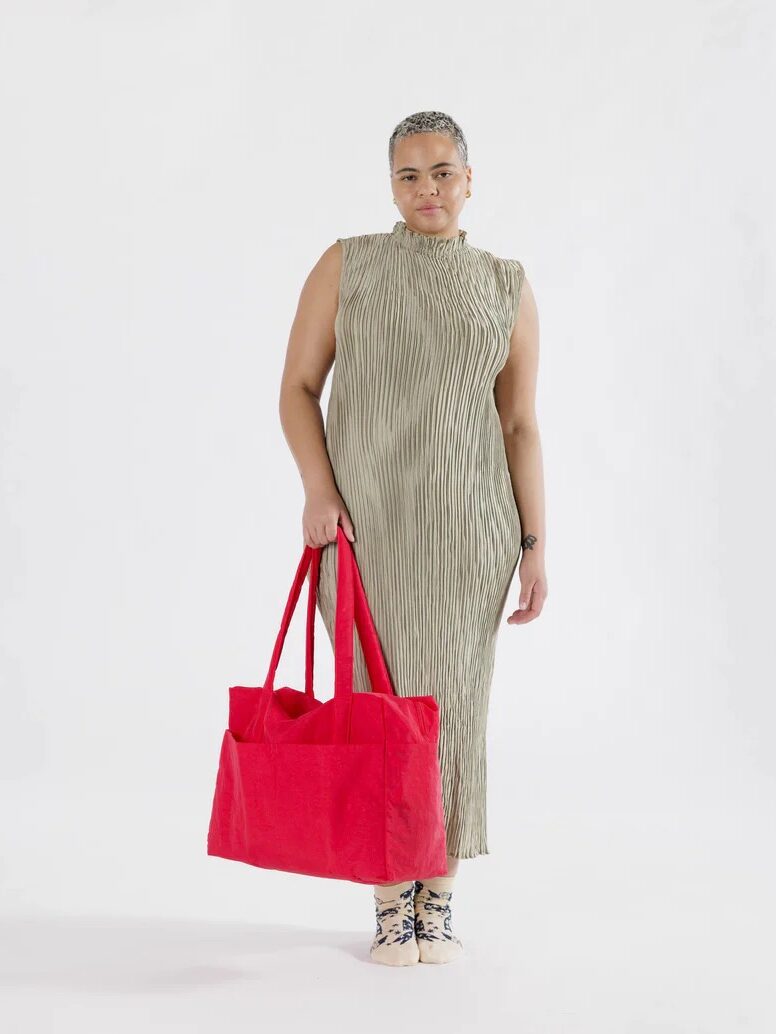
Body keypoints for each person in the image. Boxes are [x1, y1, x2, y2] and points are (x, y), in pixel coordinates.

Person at [278, 110, 546, 966]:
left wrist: (534, 543)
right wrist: (318, 490)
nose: (426, 188)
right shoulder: (348, 264)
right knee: (377, 711)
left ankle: (440, 901)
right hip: (367, 535)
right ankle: (392, 903)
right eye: (408, 175)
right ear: (390, 186)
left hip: (471, 535)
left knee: (454, 715)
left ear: (470, 180)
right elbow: (297, 388)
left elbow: (519, 424)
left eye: (441, 172)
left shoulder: (505, 284)